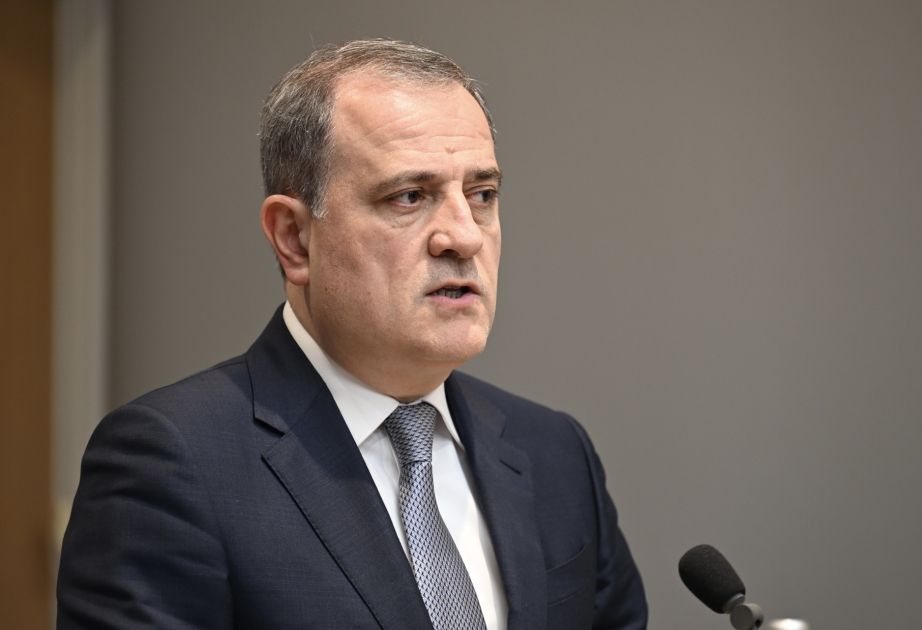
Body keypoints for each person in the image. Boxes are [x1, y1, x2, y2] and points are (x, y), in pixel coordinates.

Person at [57, 39, 647, 630]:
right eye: (409, 197)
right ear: (293, 238)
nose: (465, 236)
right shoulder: (173, 460)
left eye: (482, 195)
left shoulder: (555, 453)